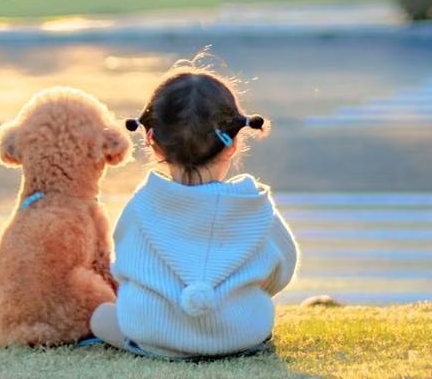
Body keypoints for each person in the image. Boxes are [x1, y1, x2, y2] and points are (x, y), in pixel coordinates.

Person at [91, 65, 298, 360]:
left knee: (100, 317)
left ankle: (157, 341)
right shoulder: (256, 207)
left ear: (152, 141)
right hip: (241, 336)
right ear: (233, 142)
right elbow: (280, 273)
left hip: (154, 337)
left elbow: (124, 271)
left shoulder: (141, 205)